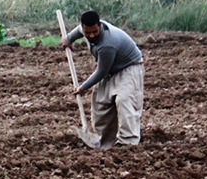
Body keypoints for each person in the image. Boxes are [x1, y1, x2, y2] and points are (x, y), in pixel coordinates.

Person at [60, 10, 145, 148]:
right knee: (101, 103)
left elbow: (101, 71)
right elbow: (78, 31)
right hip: (110, 70)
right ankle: (103, 141)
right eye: (88, 33)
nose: (91, 35)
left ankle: (128, 143)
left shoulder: (107, 44)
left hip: (129, 68)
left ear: (99, 25)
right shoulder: (84, 29)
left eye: (94, 31)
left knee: (124, 100)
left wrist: (83, 87)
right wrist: (69, 39)